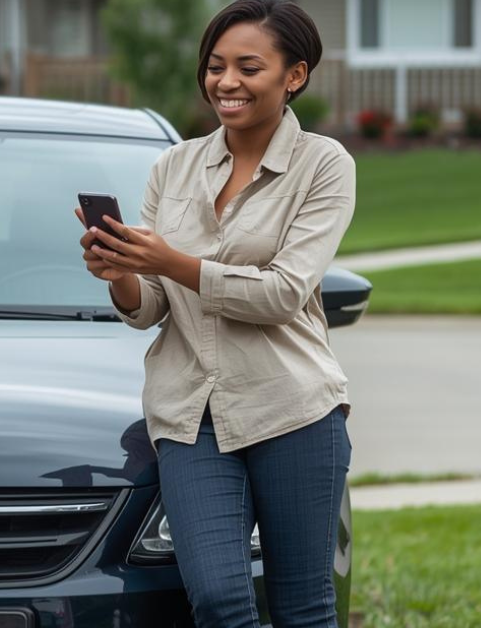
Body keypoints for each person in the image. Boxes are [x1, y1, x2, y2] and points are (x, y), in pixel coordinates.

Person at [76, 1, 355, 626]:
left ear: (295, 75)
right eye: (215, 66)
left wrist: (172, 261)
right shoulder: (172, 166)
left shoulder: (325, 165)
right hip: (187, 417)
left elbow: (283, 293)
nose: (225, 82)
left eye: (248, 67)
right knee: (220, 600)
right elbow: (150, 307)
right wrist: (120, 271)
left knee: (304, 607)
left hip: (294, 411)